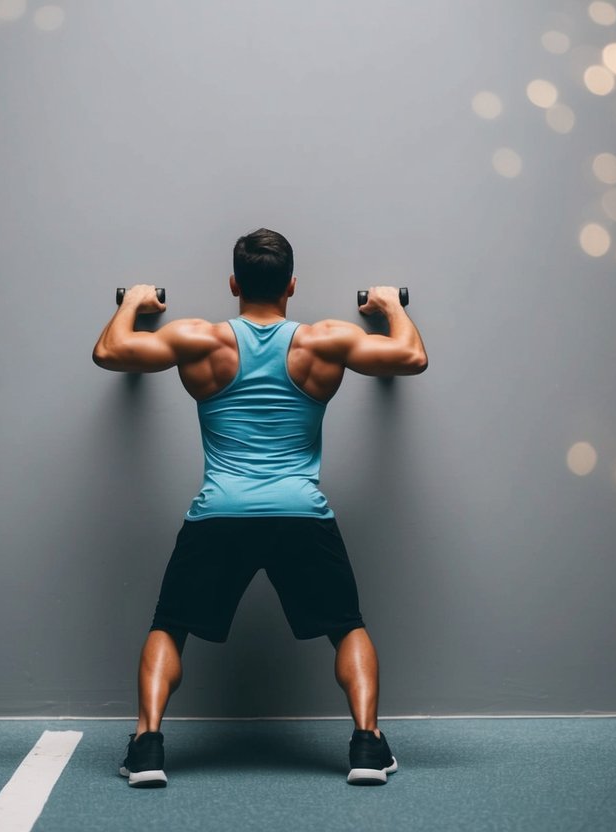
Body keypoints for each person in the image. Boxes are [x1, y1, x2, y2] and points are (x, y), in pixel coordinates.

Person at [92, 228, 428, 787]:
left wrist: (133, 303)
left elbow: (110, 351)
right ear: (292, 286)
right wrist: (390, 306)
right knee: (346, 626)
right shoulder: (324, 340)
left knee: (170, 626)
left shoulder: (199, 338)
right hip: (301, 513)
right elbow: (411, 357)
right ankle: (367, 746)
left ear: (233, 284)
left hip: (219, 514)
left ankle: (146, 746)